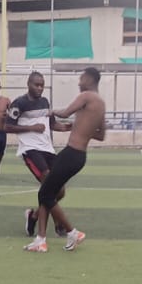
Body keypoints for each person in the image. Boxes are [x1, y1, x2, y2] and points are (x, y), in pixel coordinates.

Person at [25, 67, 104, 253]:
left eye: (81, 78)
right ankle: (40, 240)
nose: (79, 82)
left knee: (45, 194)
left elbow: (66, 112)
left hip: (70, 153)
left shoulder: (86, 96)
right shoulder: (101, 104)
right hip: (80, 157)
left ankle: (72, 232)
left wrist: (51, 111)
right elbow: (101, 135)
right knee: (48, 192)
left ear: (89, 80)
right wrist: (80, 128)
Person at [3, 70, 67, 239]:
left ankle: (34, 216)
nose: (40, 88)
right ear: (28, 84)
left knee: (60, 191)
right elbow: (7, 126)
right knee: (47, 181)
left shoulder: (45, 102)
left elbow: (52, 124)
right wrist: (31, 128)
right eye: (36, 85)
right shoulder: (19, 103)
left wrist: (68, 127)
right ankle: (58, 224)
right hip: (30, 149)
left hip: (48, 149)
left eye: (42, 85)